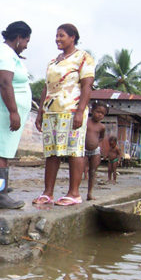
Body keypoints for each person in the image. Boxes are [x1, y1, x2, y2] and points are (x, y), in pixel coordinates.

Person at [35, 23, 95, 206]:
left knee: (73, 150)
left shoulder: (83, 58)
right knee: (51, 152)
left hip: (71, 111)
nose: (58, 39)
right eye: (56, 35)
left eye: (61, 35)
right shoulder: (53, 62)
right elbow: (47, 87)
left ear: (73, 37)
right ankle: (48, 193)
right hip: (51, 112)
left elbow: (87, 86)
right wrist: (40, 112)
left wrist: (80, 111)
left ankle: (74, 193)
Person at [0, 21, 33, 209]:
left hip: (2, 107)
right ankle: (0, 196)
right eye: (26, 40)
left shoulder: (8, 53)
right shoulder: (4, 53)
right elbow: (4, 82)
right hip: (2, 108)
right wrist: (13, 111)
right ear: (18, 38)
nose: (26, 45)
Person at [84, 102, 107, 200]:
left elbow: (101, 137)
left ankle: (90, 193)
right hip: (83, 150)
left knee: (93, 171)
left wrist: (97, 144)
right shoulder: (86, 121)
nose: (100, 115)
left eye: (103, 113)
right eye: (98, 112)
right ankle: (74, 191)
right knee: (80, 169)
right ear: (92, 111)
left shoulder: (102, 127)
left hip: (95, 151)